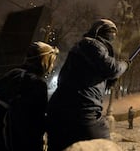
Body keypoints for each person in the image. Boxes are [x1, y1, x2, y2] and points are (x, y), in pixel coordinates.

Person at [46, 19, 129, 151]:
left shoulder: (83, 49)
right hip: (80, 112)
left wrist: (107, 79)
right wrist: (125, 64)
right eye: (110, 32)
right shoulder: (91, 44)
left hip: (65, 111)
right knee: (104, 146)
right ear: (98, 31)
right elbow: (112, 68)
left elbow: (85, 77)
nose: (112, 36)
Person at [0, 41, 58, 151]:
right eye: (52, 62)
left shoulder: (14, 72)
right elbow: (36, 122)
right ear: (45, 61)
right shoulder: (38, 84)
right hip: (9, 140)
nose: (52, 67)